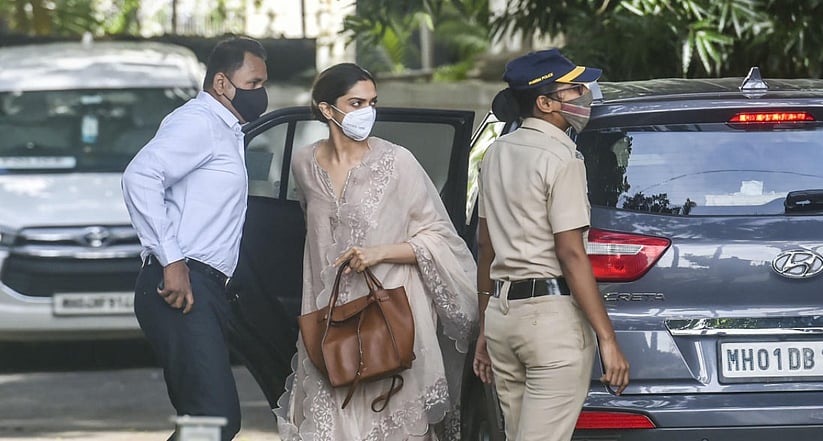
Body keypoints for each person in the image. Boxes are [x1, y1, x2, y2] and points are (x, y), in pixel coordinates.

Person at [272, 62, 478, 441]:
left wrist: (379, 252)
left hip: (388, 320)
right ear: (326, 109)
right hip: (328, 316)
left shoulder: (398, 162)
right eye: (355, 102)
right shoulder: (303, 163)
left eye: (372, 102)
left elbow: (439, 236)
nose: (367, 112)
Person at [471, 48, 630, 441]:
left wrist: (484, 328)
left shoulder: (495, 154)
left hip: (503, 319)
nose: (584, 96)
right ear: (544, 103)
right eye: (574, 90)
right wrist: (607, 339)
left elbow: (485, 245)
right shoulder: (562, 158)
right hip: (550, 322)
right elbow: (571, 252)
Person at [121, 36, 268, 441]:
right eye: (253, 84)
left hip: (205, 288)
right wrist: (173, 262)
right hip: (180, 287)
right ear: (222, 83)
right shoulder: (199, 122)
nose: (261, 94)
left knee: (207, 419)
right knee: (213, 418)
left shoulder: (228, 130)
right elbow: (140, 176)